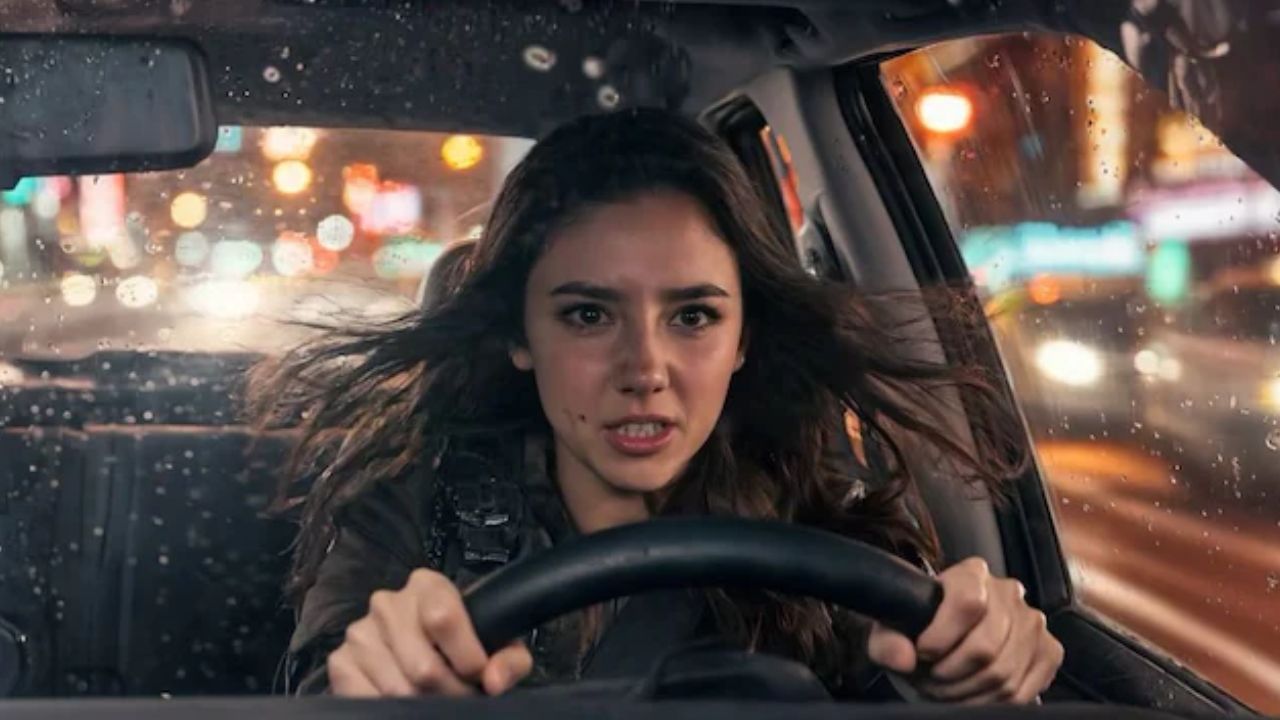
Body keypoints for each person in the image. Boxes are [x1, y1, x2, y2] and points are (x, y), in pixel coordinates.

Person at [247, 108, 1062, 702]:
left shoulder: (829, 537)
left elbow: (915, 659)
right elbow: (335, 665)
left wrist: (970, 668)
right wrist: (375, 684)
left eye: (693, 317)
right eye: (588, 316)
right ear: (520, 334)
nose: (645, 371)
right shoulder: (407, 506)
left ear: (744, 338)